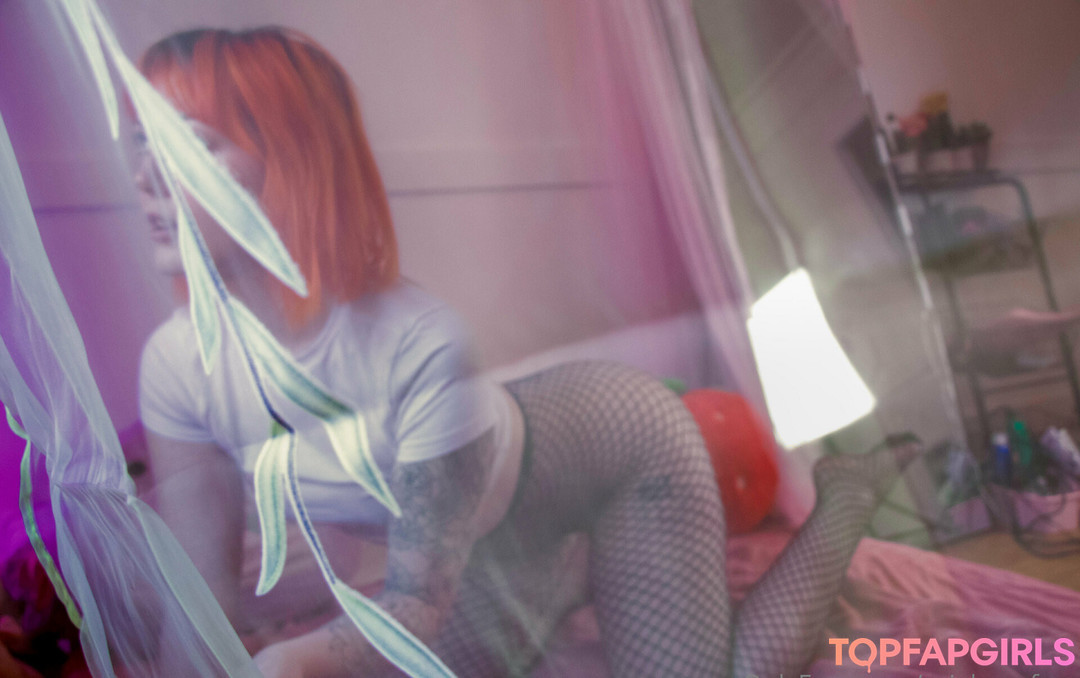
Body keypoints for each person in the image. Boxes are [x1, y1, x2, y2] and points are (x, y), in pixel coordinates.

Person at [135, 26, 917, 678]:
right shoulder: (175, 368)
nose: (145, 177)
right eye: (140, 145)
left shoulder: (415, 341)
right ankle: (565, 566)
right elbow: (197, 602)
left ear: (291, 161)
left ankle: (846, 493)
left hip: (619, 448)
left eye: (188, 146)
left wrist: (293, 661)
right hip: (483, 532)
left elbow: (414, 604)